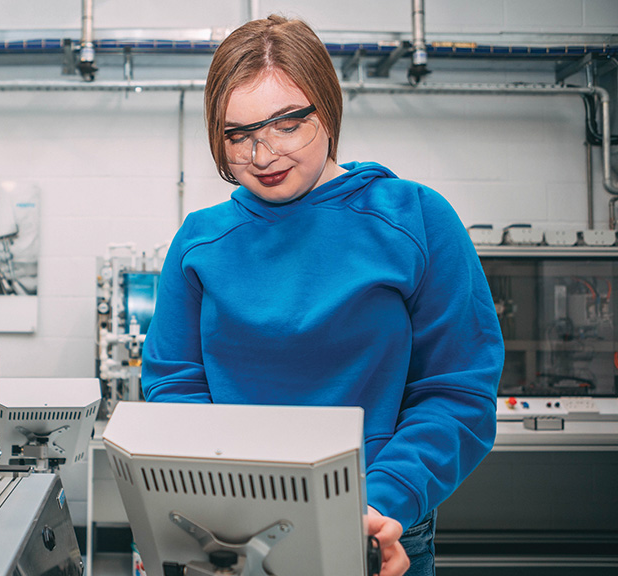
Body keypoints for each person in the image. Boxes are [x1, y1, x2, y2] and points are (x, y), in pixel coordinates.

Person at [141, 15, 505, 576]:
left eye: (287, 125)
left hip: (377, 520)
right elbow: (174, 385)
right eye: (238, 135)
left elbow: (457, 391)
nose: (262, 156)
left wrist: (386, 497)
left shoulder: (416, 219)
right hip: (232, 526)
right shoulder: (199, 242)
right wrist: (203, 498)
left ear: (328, 110)